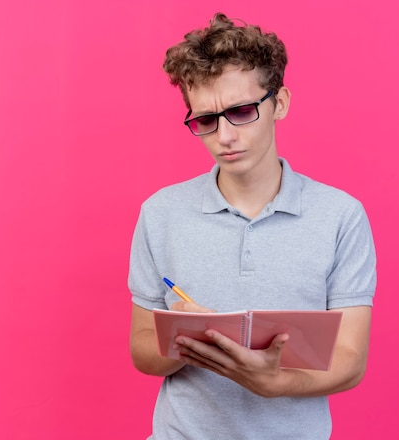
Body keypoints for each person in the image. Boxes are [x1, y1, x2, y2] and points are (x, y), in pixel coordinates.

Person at [128, 12, 376, 439]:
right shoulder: (161, 212)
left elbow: (350, 358)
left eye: (241, 111)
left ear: (279, 103)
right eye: (205, 120)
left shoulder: (340, 215)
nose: (223, 136)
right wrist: (184, 342)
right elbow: (142, 352)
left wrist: (276, 384)